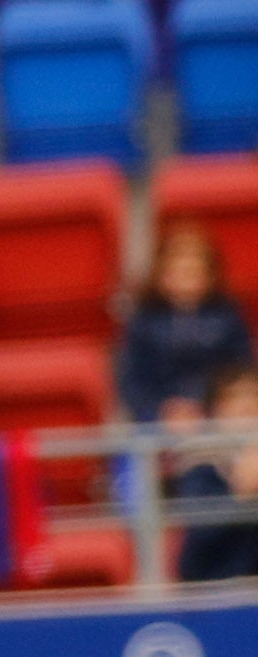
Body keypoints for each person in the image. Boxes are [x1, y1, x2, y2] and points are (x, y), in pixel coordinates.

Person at [122, 219, 251, 422]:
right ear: (161, 274)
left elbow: (241, 372)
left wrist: (209, 408)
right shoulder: (144, 322)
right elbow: (132, 381)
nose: (186, 280)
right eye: (179, 272)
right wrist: (161, 412)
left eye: (194, 272)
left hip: (218, 420)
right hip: (159, 423)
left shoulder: (228, 318)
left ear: (211, 275)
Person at [171, 361, 258, 581]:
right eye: (234, 398)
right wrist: (239, 495)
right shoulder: (201, 461)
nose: (246, 407)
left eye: (253, 396)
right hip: (214, 584)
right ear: (216, 410)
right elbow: (200, 536)